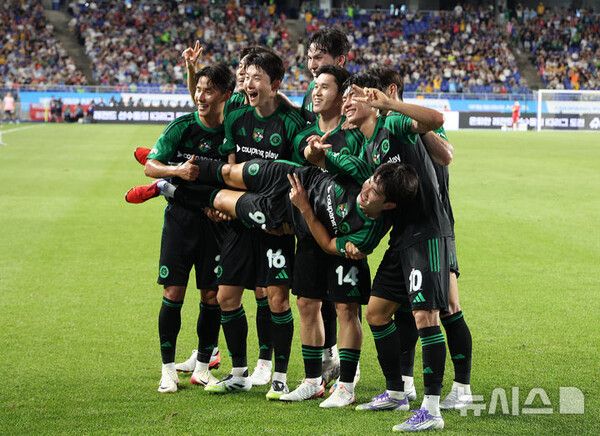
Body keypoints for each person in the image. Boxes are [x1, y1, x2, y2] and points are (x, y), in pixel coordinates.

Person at [306, 74, 451, 431]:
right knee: (376, 313)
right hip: (401, 237)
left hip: (427, 233)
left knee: (426, 317)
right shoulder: (367, 148)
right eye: (345, 98)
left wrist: (390, 104)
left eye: (353, 97)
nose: (346, 103)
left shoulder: (393, 123)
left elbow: (436, 119)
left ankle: (432, 410)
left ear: (371, 100)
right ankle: (396, 392)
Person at [369, 66, 473, 410]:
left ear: (391, 90)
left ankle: (461, 387)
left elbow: (445, 156)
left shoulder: (413, 120)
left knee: (448, 307)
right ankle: (405, 383)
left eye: (374, 92)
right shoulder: (384, 130)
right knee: (406, 308)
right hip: (408, 231)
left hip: (437, 225)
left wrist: (401, 113)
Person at [136, 63, 235, 394]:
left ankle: (204, 368)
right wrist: (177, 171)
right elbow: (150, 165)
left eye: (208, 91)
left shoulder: (231, 131)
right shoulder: (181, 127)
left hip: (215, 225)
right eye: (198, 89)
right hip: (180, 221)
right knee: (173, 293)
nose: (200, 96)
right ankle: (167, 370)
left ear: (225, 95)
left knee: (212, 295)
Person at [279, 65, 367, 407]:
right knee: (306, 303)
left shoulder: (355, 135)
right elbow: (298, 171)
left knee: (346, 307)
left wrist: (323, 156)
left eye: (324, 87)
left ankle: (345, 385)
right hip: (308, 230)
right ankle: (313, 380)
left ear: (341, 95)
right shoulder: (303, 135)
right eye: (314, 86)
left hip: (345, 236)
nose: (316, 92)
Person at [300, 27, 352, 383]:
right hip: (312, 200)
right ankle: (328, 357)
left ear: (340, 60)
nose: (312, 64)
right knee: (312, 294)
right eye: (309, 57)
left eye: (319, 57)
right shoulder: (311, 93)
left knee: (344, 298)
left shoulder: (353, 95)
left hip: (342, 205)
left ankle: (349, 368)